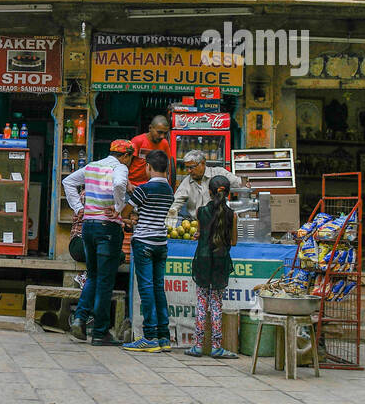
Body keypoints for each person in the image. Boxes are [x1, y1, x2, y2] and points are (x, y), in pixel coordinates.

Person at [63, 140, 134, 346]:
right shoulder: (120, 167)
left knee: (93, 275)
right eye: (130, 158)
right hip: (107, 229)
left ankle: (80, 318)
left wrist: (78, 208)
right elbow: (120, 184)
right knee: (104, 280)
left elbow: (68, 182)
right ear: (126, 156)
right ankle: (101, 332)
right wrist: (119, 207)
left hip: (88, 227)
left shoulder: (92, 166)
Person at [122, 149, 175, 353]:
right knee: (158, 289)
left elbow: (126, 211)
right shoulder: (169, 190)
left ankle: (149, 337)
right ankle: (164, 337)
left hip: (143, 241)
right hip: (161, 243)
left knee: (146, 289)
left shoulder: (144, 189)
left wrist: (132, 216)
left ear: (149, 167)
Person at [187, 175, 238, 358]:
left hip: (202, 260)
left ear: (209, 192)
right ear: (228, 194)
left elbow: (200, 234)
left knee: (201, 302)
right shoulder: (232, 215)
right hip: (220, 261)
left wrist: (198, 235)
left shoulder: (201, 212)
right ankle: (217, 346)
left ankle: (198, 345)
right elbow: (233, 242)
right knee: (216, 303)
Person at [167, 150, 245, 222]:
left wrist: (246, 183)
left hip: (218, 222)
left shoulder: (218, 173)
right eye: (187, 168)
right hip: (196, 224)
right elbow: (175, 203)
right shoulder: (186, 182)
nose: (189, 171)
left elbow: (240, 183)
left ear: (203, 163)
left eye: (192, 167)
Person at [128, 115, 171, 186]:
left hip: (153, 185)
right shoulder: (138, 141)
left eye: (165, 133)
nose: (162, 136)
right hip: (133, 185)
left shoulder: (164, 143)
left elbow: (167, 167)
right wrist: (128, 183)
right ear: (150, 128)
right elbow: (126, 164)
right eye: (159, 132)